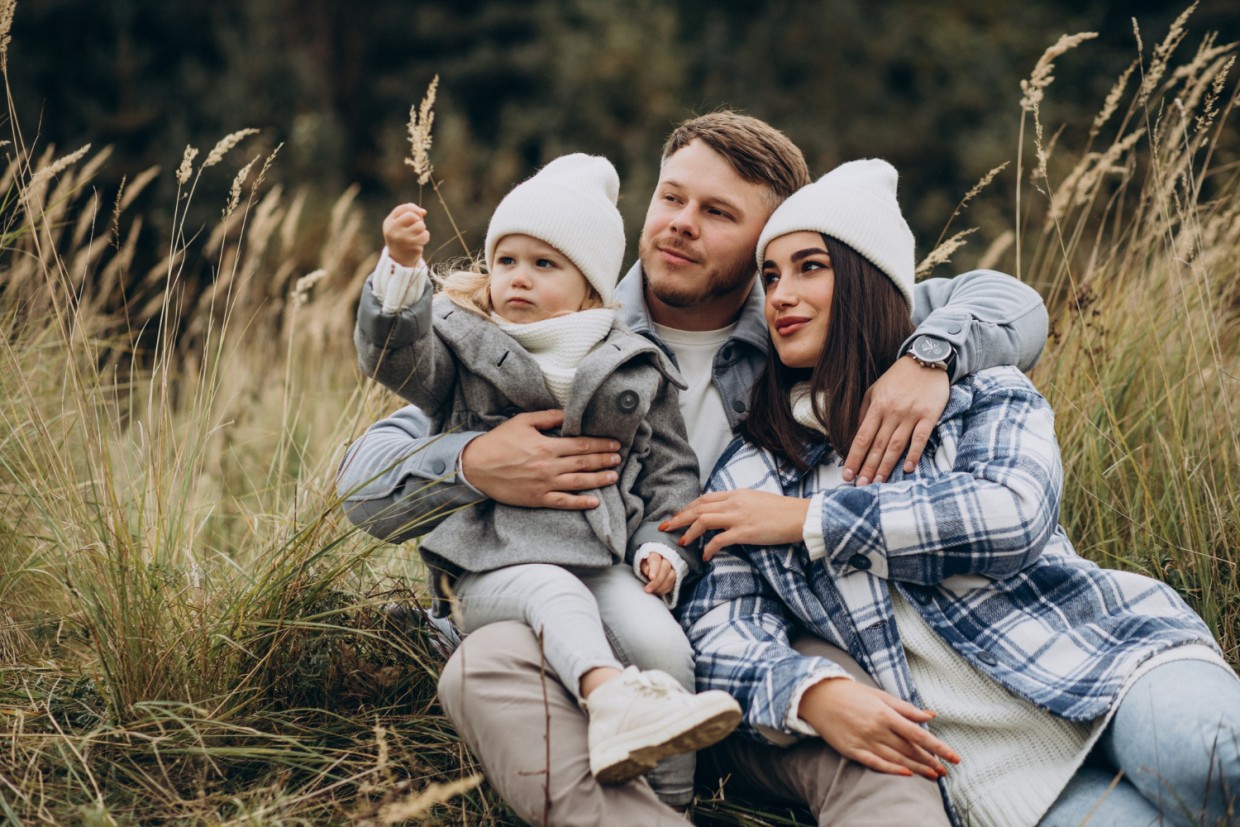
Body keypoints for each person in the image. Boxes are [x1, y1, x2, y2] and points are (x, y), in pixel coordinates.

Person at [338, 112, 1049, 823]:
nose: (681, 223)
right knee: (486, 665)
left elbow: (1011, 303)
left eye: (718, 213)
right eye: (672, 198)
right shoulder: (558, 325)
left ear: (768, 241)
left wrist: (929, 359)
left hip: (761, 628)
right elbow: (365, 482)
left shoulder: (801, 321)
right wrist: (472, 463)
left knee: (860, 716)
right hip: (593, 627)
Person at [669, 158, 1240, 826]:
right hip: (995, 774)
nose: (780, 296)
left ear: (867, 279)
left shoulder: (975, 390)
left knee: (1212, 765)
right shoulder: (752, 471)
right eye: (770, 277)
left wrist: (810, 520)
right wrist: (810, 693)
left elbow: (1013, 516)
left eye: (809, 267)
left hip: (1110, 660)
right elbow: (720, 629)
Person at [356, 153, 744, 795]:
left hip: (601, 560)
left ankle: (674, 804)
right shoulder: (461, 344)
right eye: (506, 260)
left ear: (590, 286)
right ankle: (610, 700)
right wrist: (400, 270)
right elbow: (396, 360)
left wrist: (663, 548)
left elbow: (669, 474)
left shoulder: (634, 364)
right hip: (488, 566)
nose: (519, 278)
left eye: (544, 265)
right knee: (555, 595)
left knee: (663, 646)